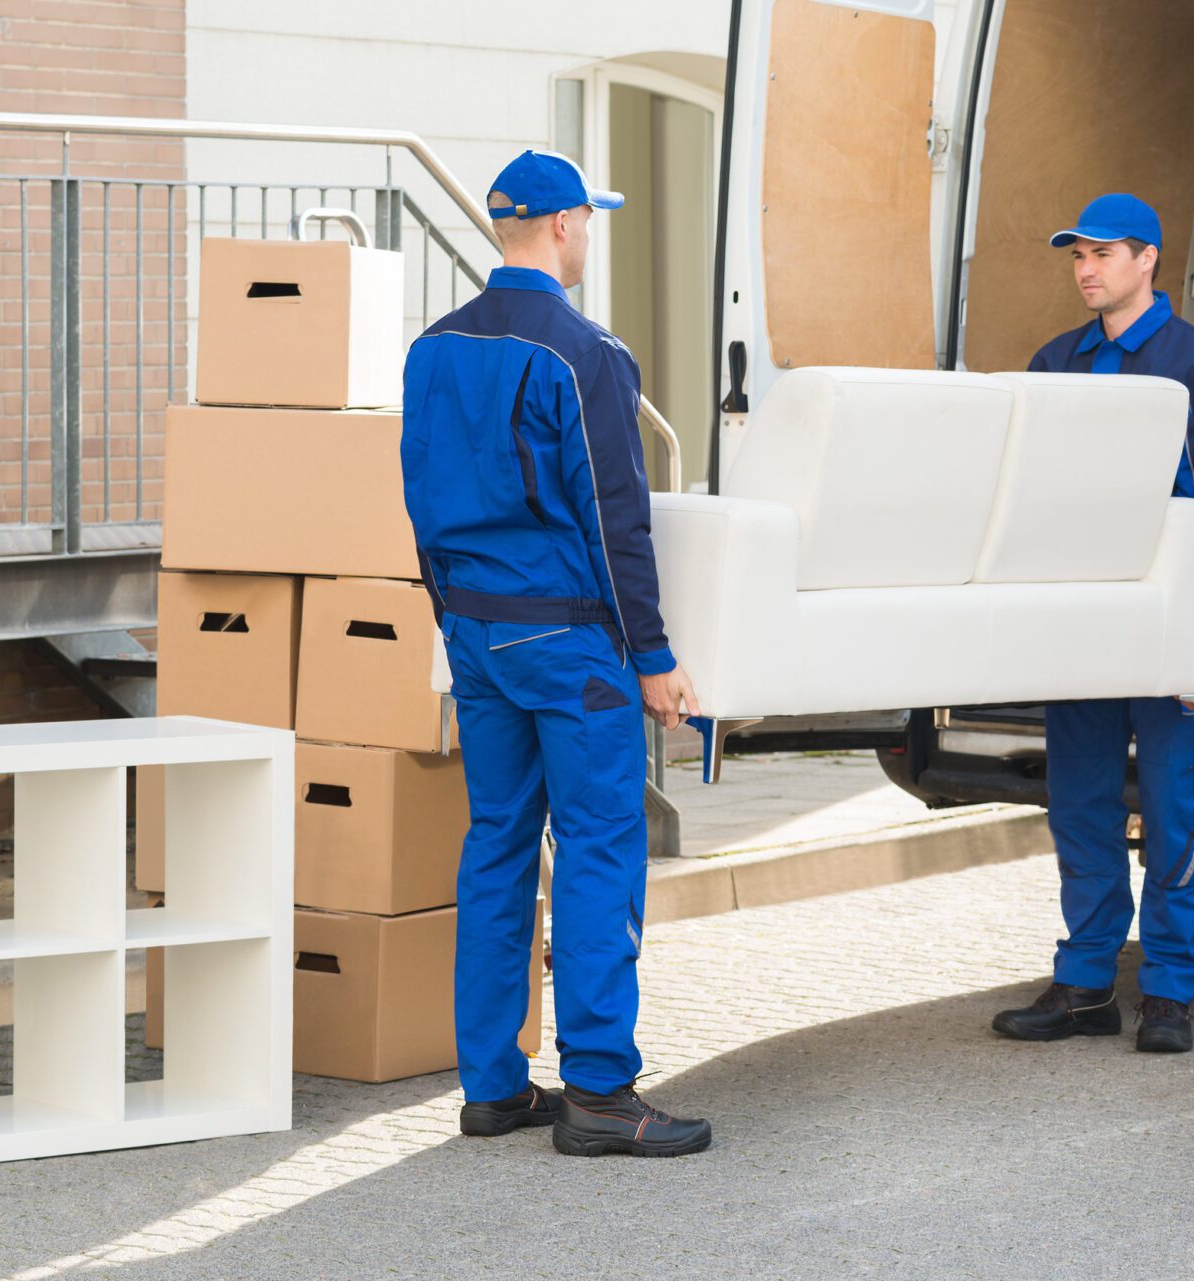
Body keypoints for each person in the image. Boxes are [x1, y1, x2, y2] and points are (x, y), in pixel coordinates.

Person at [401, 149, 711, 1157]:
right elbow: (617, 518)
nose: (590, 237)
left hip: (476, 633)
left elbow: (419, 498)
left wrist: (456, 618)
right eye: (591, 220)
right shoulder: (584, 354)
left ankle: (493, 1088)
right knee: (598, 846)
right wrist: (652, 653)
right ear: (566, 224)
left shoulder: (432, 350)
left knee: (497, 842)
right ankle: (600, 1092)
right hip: (568, 641)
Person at [992, 193, 1194, 1054]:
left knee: (1175, 806)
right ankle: (1085, 983)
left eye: (1103, 253)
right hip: (1080, 622)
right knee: (1081, 806)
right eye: (1078, 255)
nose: (1086, 269)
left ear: (1149, 259)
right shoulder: (1054, 362)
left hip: (1163, 621)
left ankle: (1170, 990)